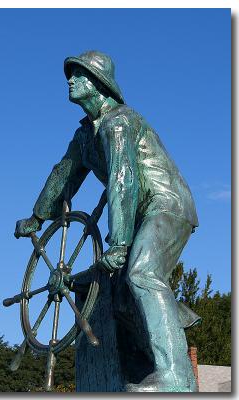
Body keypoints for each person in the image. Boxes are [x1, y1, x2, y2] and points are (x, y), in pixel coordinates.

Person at [14, 51, 199, 392]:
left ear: (99, 84)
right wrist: (38, 216)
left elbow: (122, 180)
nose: (70, 80)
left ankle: (174, 375)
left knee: (142, 272)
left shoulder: (119, 122)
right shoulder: (85, 136)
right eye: (70, 75)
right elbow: (63, 175)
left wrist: (120, 244)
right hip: (137, 213)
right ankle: (141, 365)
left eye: (79, 75)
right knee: (112, 289)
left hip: (166, 205)